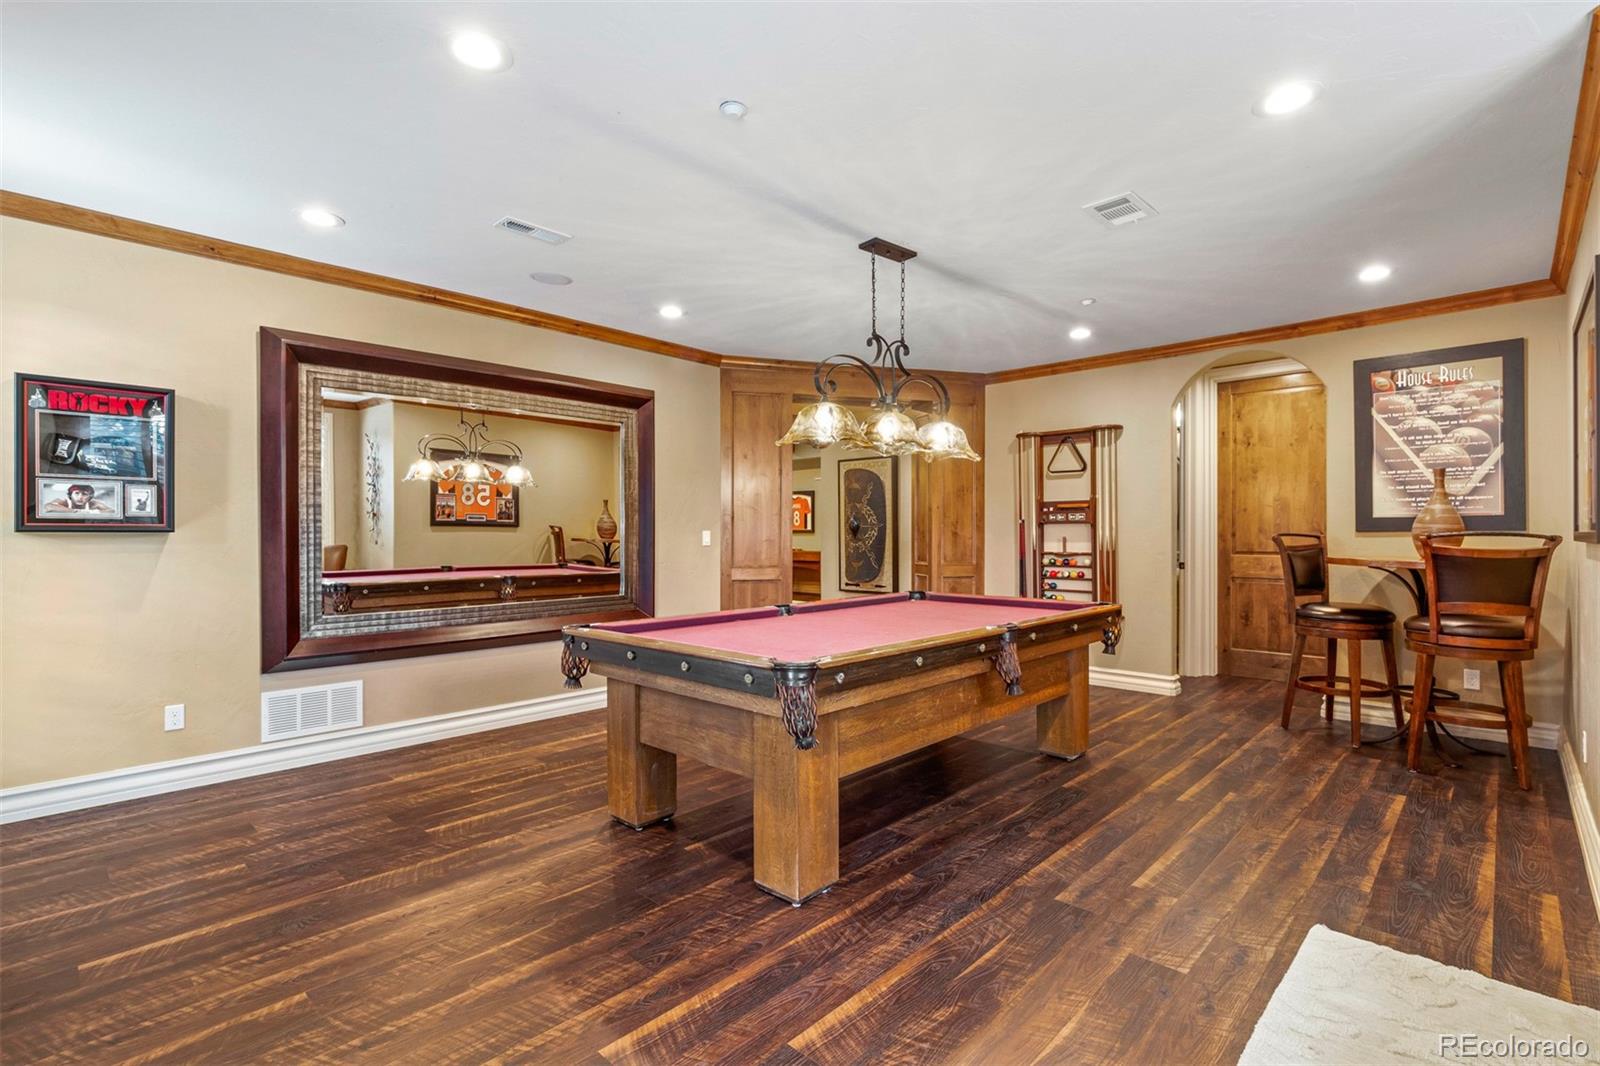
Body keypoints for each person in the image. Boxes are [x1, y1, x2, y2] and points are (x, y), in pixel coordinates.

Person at [44, 483, 113, 513]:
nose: (80, 497)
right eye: (77, 493)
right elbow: (48, 506)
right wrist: (75, 512)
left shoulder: (94, 503)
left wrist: (92, 512)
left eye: (84, 494)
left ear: (90, 497)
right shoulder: (63, 501)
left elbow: (111, 511)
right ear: (70, 495)